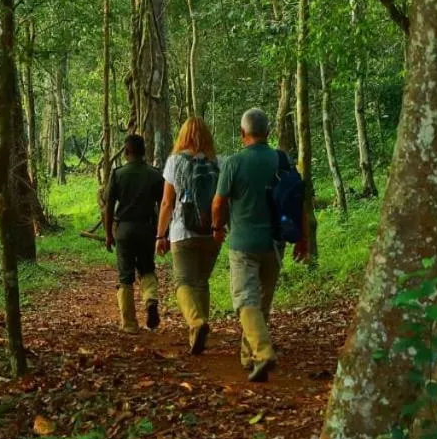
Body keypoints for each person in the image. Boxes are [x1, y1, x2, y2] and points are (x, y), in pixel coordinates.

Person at [212, 108, 308, 382]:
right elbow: (298, 201)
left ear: (243, 133)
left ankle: (264, 352)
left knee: (245, 301)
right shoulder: (282, 160)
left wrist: (217, 228)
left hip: (243, 244)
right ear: (267, 132)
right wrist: (303, 238)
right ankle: (249, 356)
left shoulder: (234, 163)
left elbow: (218, 203)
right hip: (275, 244)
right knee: (261, 303)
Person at [156, 117, 220, 354]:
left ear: (182, 136)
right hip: (212, 232)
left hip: (182, 231)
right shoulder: (217, 162)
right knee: (202, 282)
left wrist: (160, 235)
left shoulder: (175, 161)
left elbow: (167, 202)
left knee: (183, 282)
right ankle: (198, 335)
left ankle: (196, 322)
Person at [104, 134, 165, 333]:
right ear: (144, 151)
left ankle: (130, 323)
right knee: (147, 268)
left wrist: (108, 234)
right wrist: (162, 233)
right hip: (147, 229)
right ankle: (150, 300)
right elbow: (164, 204)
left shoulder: (118, 174)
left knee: (125, 276)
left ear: (126, 151)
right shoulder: (155, 174)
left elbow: (109, 206)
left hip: (124, 229)